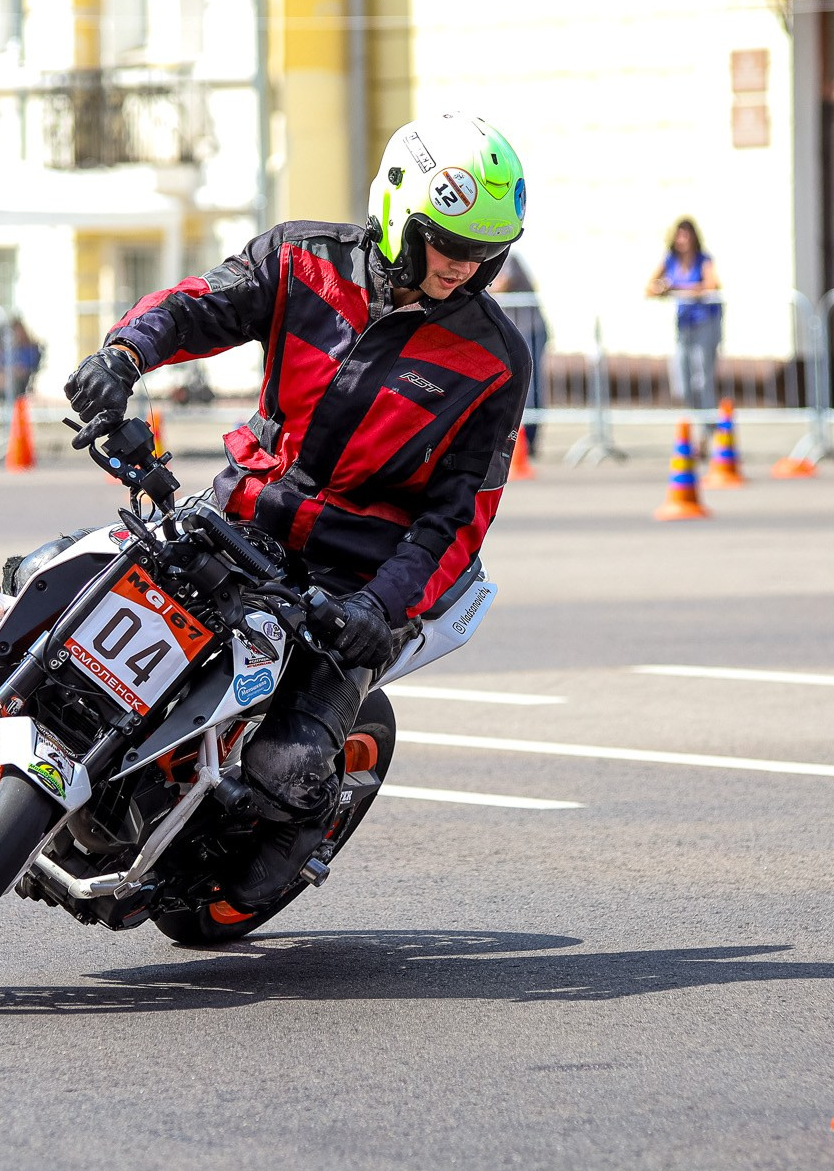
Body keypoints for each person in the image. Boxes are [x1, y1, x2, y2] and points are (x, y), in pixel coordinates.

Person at [63, 112, 531, 909]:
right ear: (396, 213)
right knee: (58, 599)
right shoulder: (302, 259)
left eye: (486, 252)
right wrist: (124, 353)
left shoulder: (495, 358)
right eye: (448, 244)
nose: (463, 266)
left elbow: (459, 516)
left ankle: (298, 824)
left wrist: (379, 608)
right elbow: (196, 307)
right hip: (242, 515)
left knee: (289, 768)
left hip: (352, 577)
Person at [645, 217, 721, 410]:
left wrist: (677, 287)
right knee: (682, 379)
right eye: (679, 235)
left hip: (705, 322)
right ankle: (695, 420)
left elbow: (712, 285)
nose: (683, 239)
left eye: (687, 234)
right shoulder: (670, 259)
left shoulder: (703, 259)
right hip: (684, 324)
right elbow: (649, 288)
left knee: (703, 377)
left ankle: (707, 425)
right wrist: (662, 288)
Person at [490, 255, 549, 453]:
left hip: (530, 330)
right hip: (513, 332)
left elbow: (502, 284)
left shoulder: (507, 258)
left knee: (530, 388)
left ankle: (528, 441)